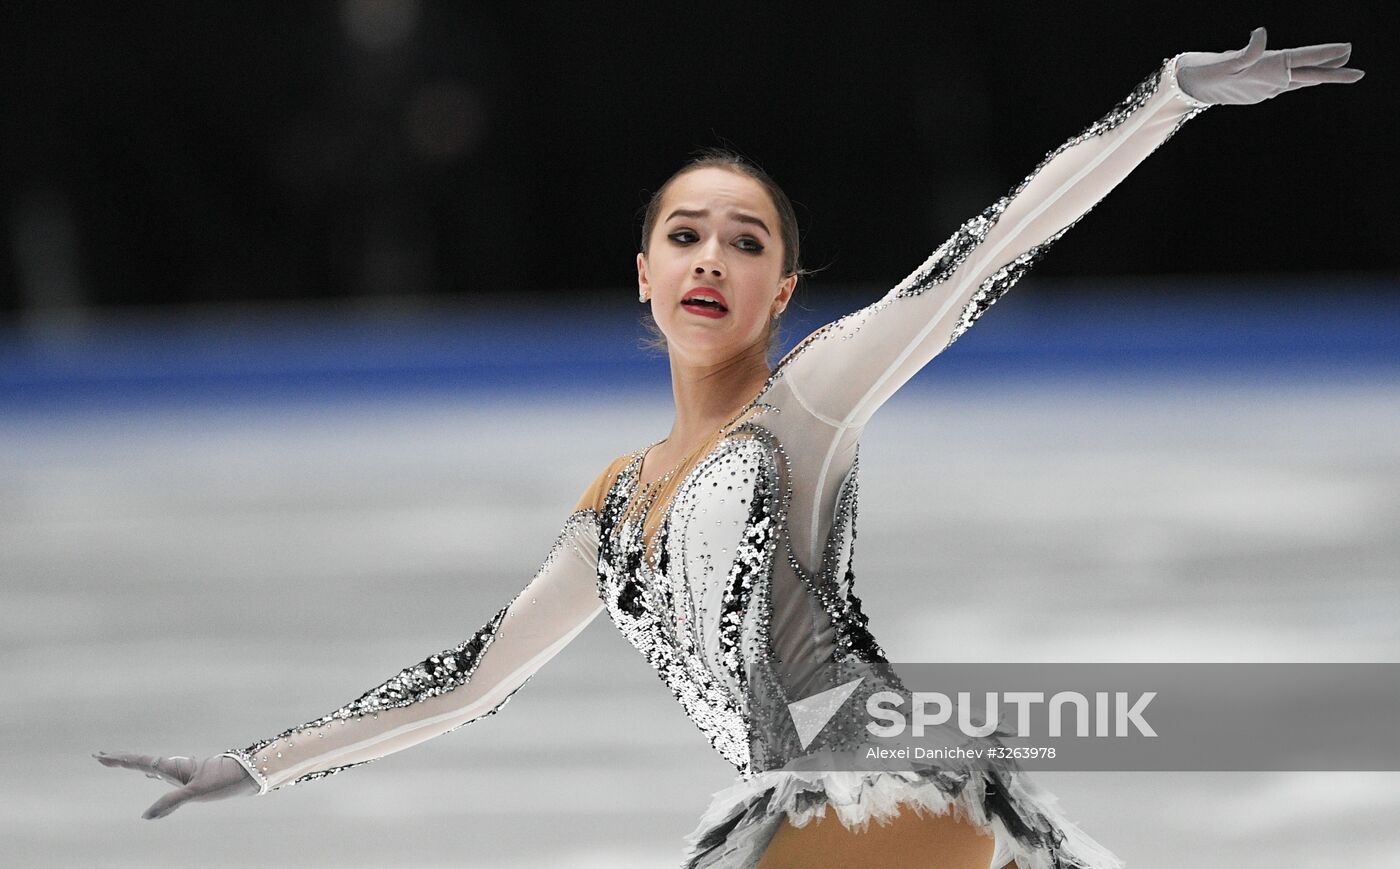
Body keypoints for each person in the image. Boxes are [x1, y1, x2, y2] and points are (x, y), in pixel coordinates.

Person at [96, 28, 1361, 869]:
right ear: (641, 275)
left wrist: (1166, 101)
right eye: (686, 235)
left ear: (782, 288)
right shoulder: (612, 508)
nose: (712, 256)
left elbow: (987, 247)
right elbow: (468, 680)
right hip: (799, 805)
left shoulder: (802, 406)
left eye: (745, 241)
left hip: (881, 782)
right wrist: (253, 767)